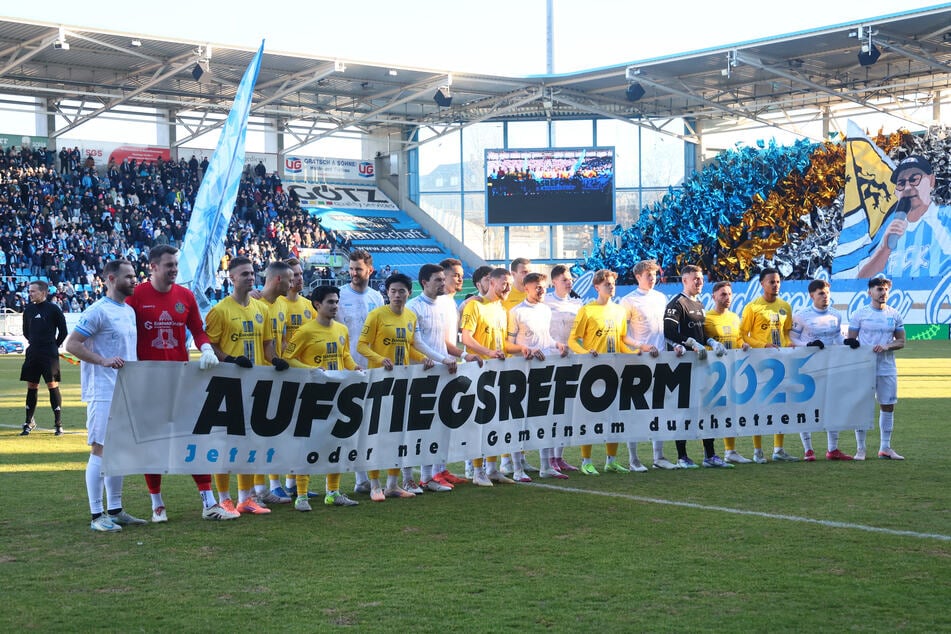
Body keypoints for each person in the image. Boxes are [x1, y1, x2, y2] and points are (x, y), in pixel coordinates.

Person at [125, 245, 238, 522]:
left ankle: (209, 503)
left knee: (194, 439)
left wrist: (207, 349)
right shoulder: (137, 296)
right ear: (153, 267)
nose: (174, 270)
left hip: (181, 380)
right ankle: (157, 503)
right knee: (152, 444)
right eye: (169, 265)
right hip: (148, 383)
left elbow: (198, 330)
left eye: (175, 265)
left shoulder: (185, 296)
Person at [65, 259, 148, 532]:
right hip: (103, 390)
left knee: (119, 450)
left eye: (135, 275)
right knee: (100, 449)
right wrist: (102, 361)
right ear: (111, 279)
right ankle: (96, 515)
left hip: (125, 389)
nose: (134, 280)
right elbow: (72, 344)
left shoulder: (127, 310)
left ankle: (115, 509)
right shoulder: (97, 311)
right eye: (129, 276)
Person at [204, 256, 277, 516]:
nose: (249, 277)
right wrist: (231, 359)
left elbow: (267, 343)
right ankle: (224, 499)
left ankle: (246, 499)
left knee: (250, 442)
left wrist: (275, 359)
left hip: (255, 385)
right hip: (227, 386)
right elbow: (209, 344)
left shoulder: (262, 309)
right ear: (232, 278)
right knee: (225, 443)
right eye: (243, 274)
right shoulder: (220, 310)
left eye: (251, 273)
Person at [357, 273, 437, 500]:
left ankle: (392, 484)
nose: (397, 295)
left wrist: (422, 359)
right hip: (379, 382)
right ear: (387, 293)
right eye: (393, 291)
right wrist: (379, 358)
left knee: (397, 434)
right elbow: (362, 346)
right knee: (376, 435)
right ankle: (374, 485)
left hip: (402, 382)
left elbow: (408, 347)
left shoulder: (411, 317)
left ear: (408, 293)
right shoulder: (376, 315)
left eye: (401, 291)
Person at [284, 285, 362, 511]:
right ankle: (301, 496)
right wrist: (311, 369)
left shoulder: (341, 329)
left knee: (336, 442)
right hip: (312, 395)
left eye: (336, 302)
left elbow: (344, 355)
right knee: (307, 444)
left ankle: (333, 492)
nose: (335, 306)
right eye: (330, 302)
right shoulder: (305, 331)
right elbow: (288, 358)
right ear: (317, 305)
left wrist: (354, 367)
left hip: (337, 394)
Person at [407, 263, 481, 492]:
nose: (443, 283)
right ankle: (422, 476)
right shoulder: (413, 308)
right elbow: (414, 344)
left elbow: (445, 343)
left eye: (442, 279)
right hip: (421, 373)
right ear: (424, 283)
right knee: (421, 426)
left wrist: (463, 355)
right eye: (438, 280)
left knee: (441, 423)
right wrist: (438, 359)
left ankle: (435, 472)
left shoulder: (444, 305)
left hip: (443, 371)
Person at [567, 269, 637, 475]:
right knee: (589, 416)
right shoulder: (587, 310)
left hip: (615, 371)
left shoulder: (619, 311)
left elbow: (621, 340)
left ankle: (611, 461)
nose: (611, 286)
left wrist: (634, 354)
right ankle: (586, 461)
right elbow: (573, 340)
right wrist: (585, 353)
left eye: (613, 283)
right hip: (592, 370)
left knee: (614, 416)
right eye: (607, 283)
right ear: (597, 287)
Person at [663, 265, 733, 469]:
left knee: (707, 408)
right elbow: (669, 331)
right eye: (695, 279)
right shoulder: (677, 303)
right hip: (683, 365)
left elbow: (700, 333)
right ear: (685, 280)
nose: (699, 282)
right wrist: (690, 343)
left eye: (701, 279)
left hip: (702, 363)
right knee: (684, 410)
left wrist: (711, 342)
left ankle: (710, 455)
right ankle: (682, 456)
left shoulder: (700, 304)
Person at [460, 267, 521, 486]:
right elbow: (466, 338)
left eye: (510, 284)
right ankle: (477, 471)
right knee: (480, 421)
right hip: (478, 372)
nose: (508, 287)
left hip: (498, 371)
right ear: (491, 283)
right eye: (504, 283)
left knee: (497, 421)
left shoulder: (502, 310)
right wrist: (487, 353)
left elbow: (502, 343)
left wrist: (522, 349)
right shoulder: (474, 306)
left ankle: (493, 469)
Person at [789, 279, 862, 461]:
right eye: (821, 293)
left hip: (831, 366)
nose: (825, 297)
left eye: (827, 293)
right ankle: (808, 450)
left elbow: (837, 337)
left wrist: (846, 342)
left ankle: (832, 449)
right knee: (806, 406)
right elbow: (792, 339)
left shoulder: (836, 315)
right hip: (808, 366)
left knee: (833, 405)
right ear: (812, 295)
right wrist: (809, 344)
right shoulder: (801, 316)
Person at [507, 271, 568, 481]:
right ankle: (517, 469)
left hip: (544, 370)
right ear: (527, 288)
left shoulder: (545, 310)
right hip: (522, 372)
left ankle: (545, 466)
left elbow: (546, 338)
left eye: (544, 286)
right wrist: (526, 349)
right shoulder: (516, 312)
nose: (542, 290)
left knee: (546, 418)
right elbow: (507, 344)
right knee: (519, 421)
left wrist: (557, 344)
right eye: (537, 287)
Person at [337, 249, 384, 496]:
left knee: (369, 424)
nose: (354, 273)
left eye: (358, 269)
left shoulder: (377, 298)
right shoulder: (340, 296)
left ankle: (364, 477)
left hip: (373, 369)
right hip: (347, 368)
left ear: (370, 271)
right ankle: (358, 477)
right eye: (352, 269)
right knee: (350, 424)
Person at [739, 267, 798, 463]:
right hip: (759, 362)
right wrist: (762, 345)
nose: (775, 285)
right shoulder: (753, 307)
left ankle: (778, 449)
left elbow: (787, 331)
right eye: (771, 282)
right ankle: (757, 451)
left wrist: (788, 342)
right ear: (762, 284)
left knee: (780, 405)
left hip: (780, 362)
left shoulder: (785, 306)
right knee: (760, 405)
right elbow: (743, 335)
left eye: (778, 281)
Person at [857, 155, 951, 279]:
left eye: (914, 179)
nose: (907, 187)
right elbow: (860, 281)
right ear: (896, 191)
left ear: (931, 181)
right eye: (901, 183)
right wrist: (884, 249)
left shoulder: (946, 217)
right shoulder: (888, 227)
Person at [274, 257, 321, 501]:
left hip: (304, 373)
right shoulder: (277, 304)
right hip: (282, 372)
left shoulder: (307, 305)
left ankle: (292, 482)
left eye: (302, 273)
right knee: (278, 429)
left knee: (300, 430)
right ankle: (273, 484)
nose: (301, 278)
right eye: (296, 274)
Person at [620, 259, 673, 471]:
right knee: (635, 410)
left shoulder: (661, 298)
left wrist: (672, 346)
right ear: (638, 277)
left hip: (661, 361)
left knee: (659, 408)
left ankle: (658, 456)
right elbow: (621, 335)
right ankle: (633, 460)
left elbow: (666, 329)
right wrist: (640, 346)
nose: (652, 278)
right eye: (647, 275)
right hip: (638, 362)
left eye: (653, 274)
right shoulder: (628, 301)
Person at [847, 276, 906, 460]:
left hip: (887, 367)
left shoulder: (894, 314)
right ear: (870, 292)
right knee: (862, 406)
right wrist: (854, 346)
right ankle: (861, 449)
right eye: (879, 289)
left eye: (886, 289)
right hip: (864, 367)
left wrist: (887, 346)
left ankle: (885, 448)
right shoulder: (860, 314)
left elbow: (902, 341)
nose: (883, 293)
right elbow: (850, 341)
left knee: (887, 405)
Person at [703, 281, 753, 463]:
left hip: (732, 370)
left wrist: (743, 344)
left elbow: (737, 338)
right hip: (713, 373)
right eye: (723, 294)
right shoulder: (706, 318)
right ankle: (709, 454)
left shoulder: (733, 317)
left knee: (730, 410)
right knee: (713, 412)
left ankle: (730, 451)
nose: (727, 298)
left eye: (729, 294)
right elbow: (703, 340)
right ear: (713, 296)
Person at [542, 264, 582, 475]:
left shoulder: (577, 303)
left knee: (566, 411)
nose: (569, 282)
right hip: (550, 361)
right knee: (551, 411)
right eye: (565, 280)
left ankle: (559, 456)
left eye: (570, 279)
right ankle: (548, 458)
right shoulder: (545, 302)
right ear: (554, 282)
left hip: (571, 360)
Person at [19, 280, 68, 436]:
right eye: (30, 291)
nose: (30, 293)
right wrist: (36, 343)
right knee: (32, 386)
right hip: (33, 352)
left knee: (52, 386)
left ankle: (58, 424)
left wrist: (53, 346)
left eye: (33, 291)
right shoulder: (28, 310)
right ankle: (28, 422)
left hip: (49, 354)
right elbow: (26, 332)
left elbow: (63, 332)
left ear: (43, 292)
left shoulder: (54, 310)